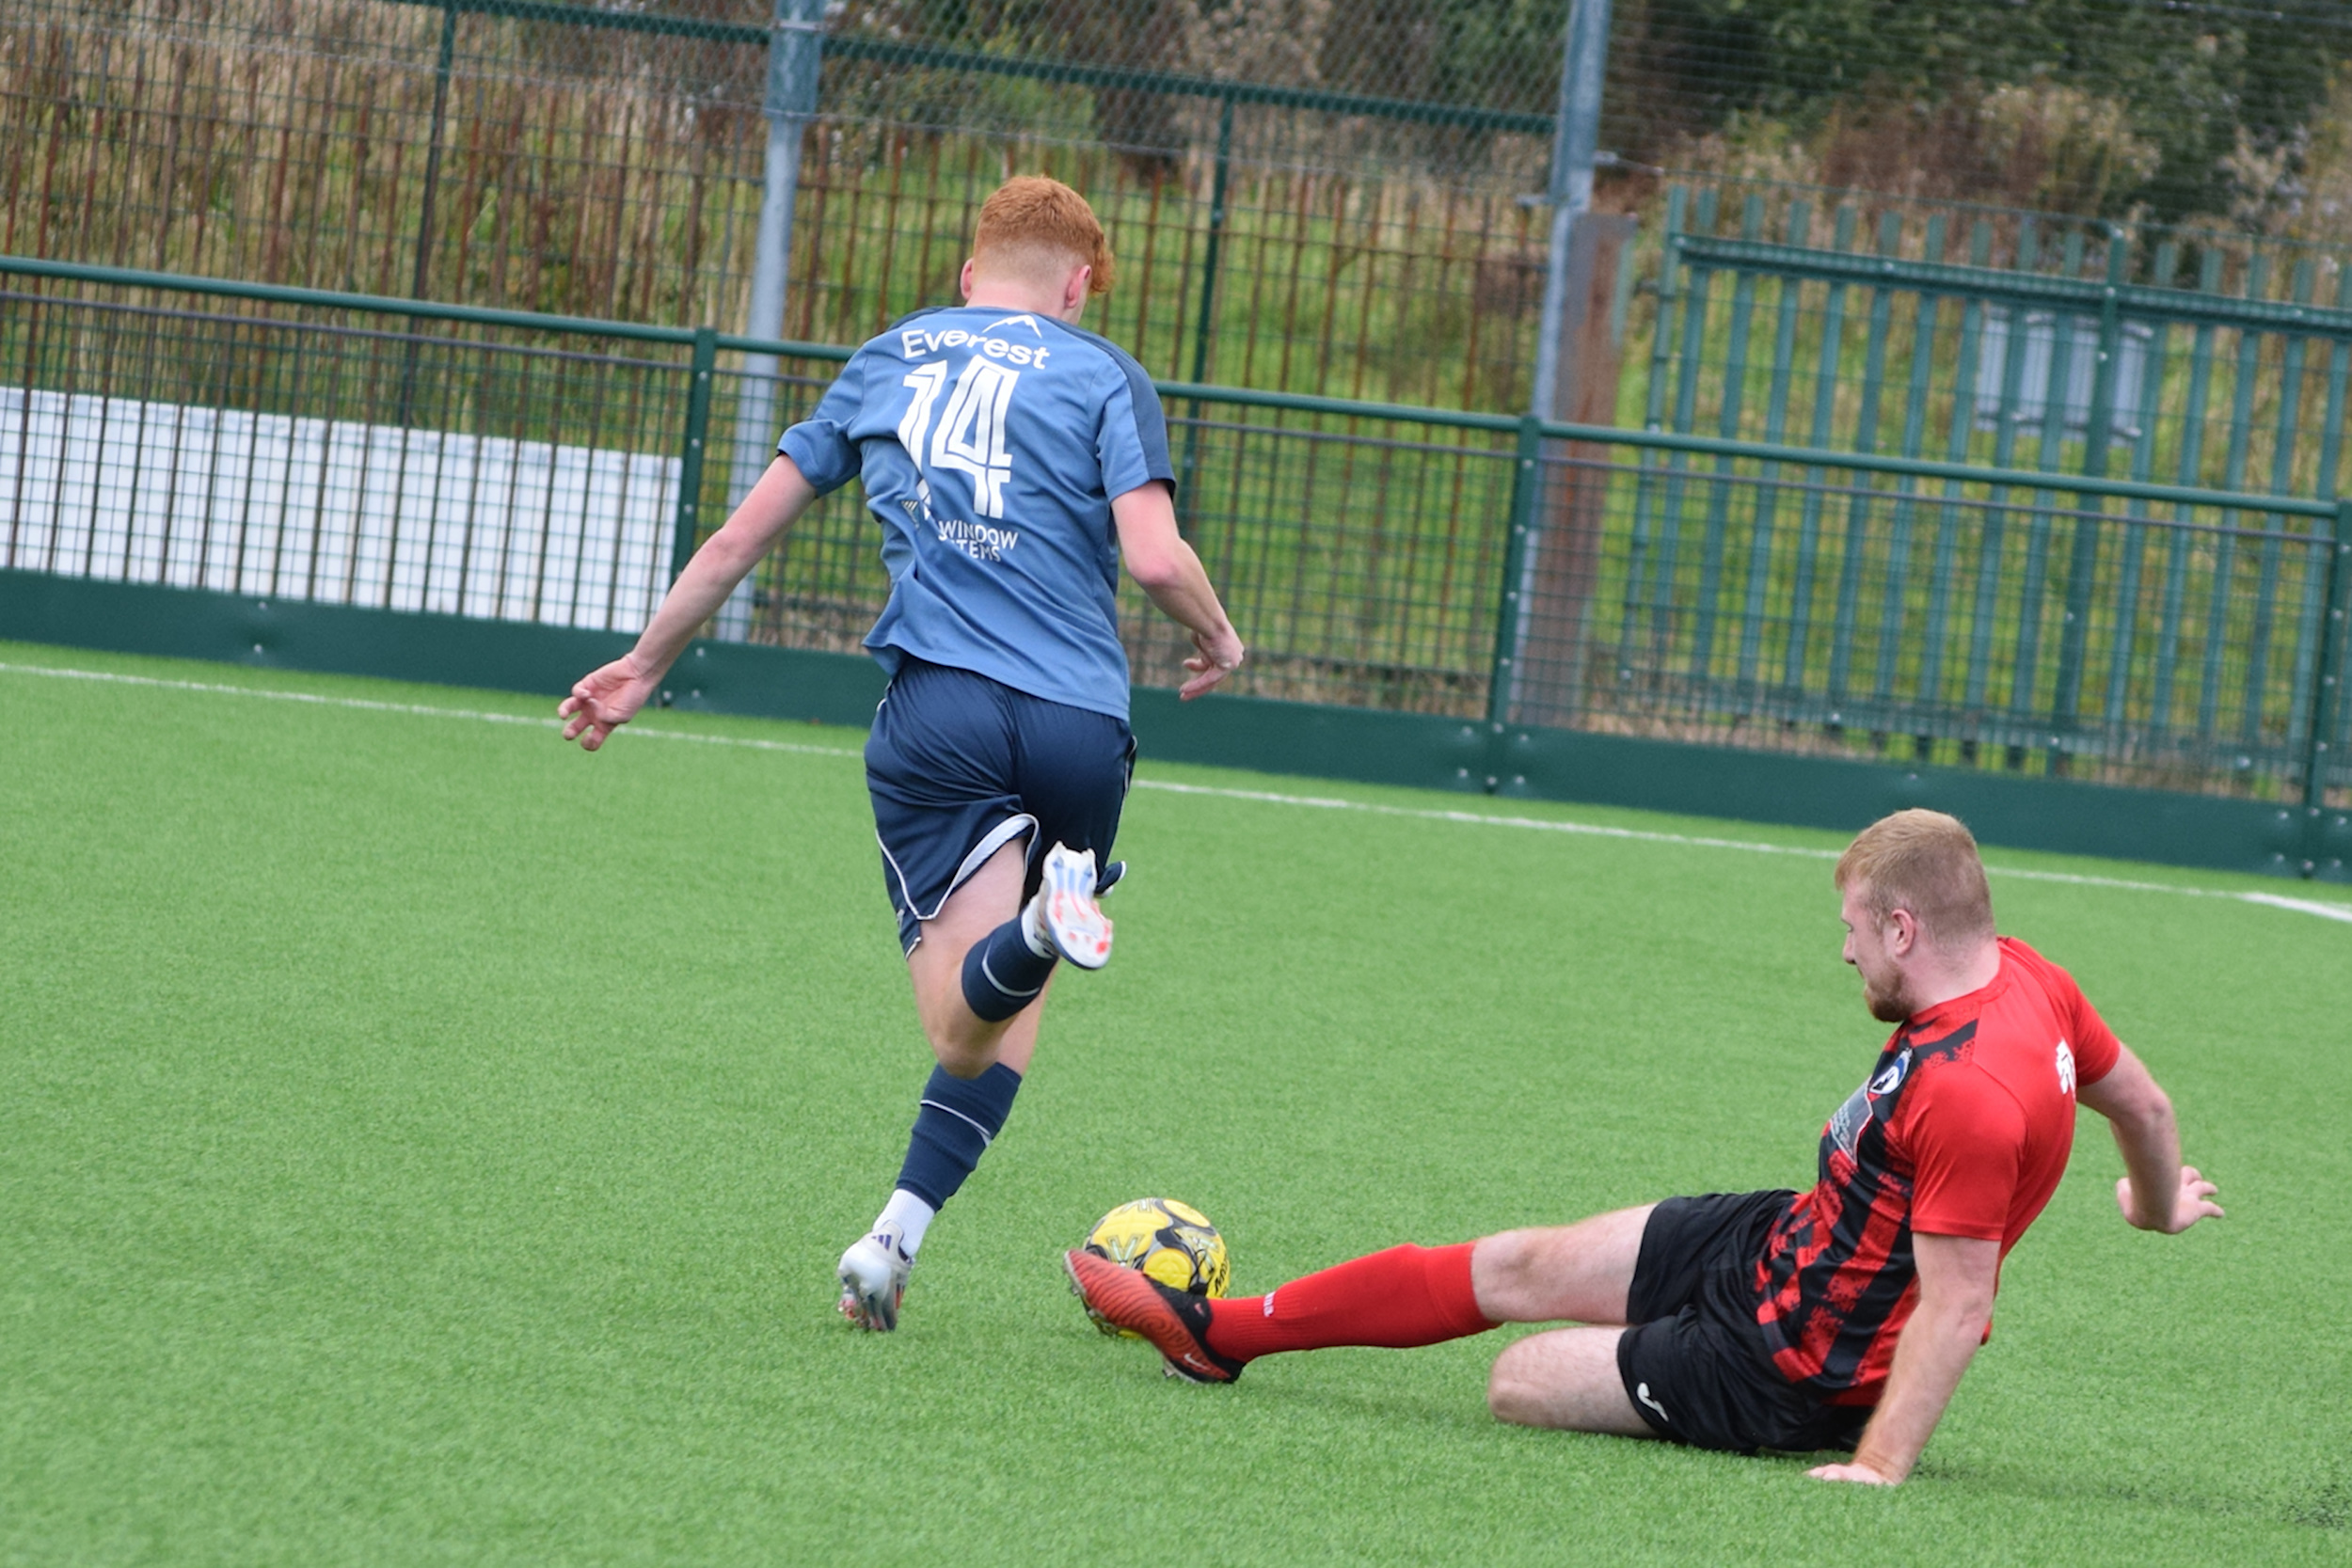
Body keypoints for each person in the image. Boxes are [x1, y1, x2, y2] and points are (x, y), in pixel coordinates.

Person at [560, 176, 1246, 1332]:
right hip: (1085, 733)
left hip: (944, 718)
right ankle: (893, 1241)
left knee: (956, 1024)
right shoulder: (1106, 372)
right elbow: (1157, 560)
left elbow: (737, 537)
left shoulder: (889, 357)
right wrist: (1218, 637)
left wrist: (642, 664)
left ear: (971, 273)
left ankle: (1033, 928)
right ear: (1078, 286)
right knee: (1003, 1026)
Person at [1066, 809, 2222, 1484]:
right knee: (1518, 1261)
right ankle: (1226, 1334)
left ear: (1906, 926)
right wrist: (2155, 1200)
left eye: (1854, 932)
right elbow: (2149, 1109)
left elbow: (1957, 1306)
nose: (1846, 954)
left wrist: (1875, 1470)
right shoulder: (2029, 976)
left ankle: (1669, 1364)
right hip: (1781, 1238)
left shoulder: (1967, 1089)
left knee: (1517, 1380)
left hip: (1792, 1369)